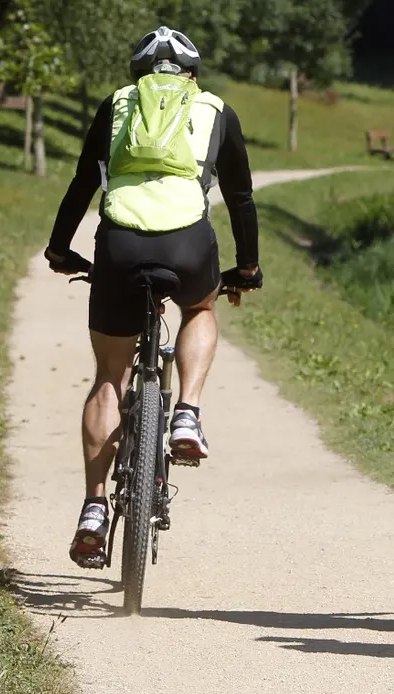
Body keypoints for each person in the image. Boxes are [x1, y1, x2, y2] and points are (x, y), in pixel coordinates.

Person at [43, 26, 262, 569]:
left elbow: (82, 183)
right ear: (193, 74)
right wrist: (248, 268)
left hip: (119, 243)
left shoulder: (116, 105)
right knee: (201, 306)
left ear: (137, 75)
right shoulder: (216, 109)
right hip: (187, 242)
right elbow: (240, 197)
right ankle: (187, 411)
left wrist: (59, 249)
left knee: (109, 377)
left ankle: (95, 508)